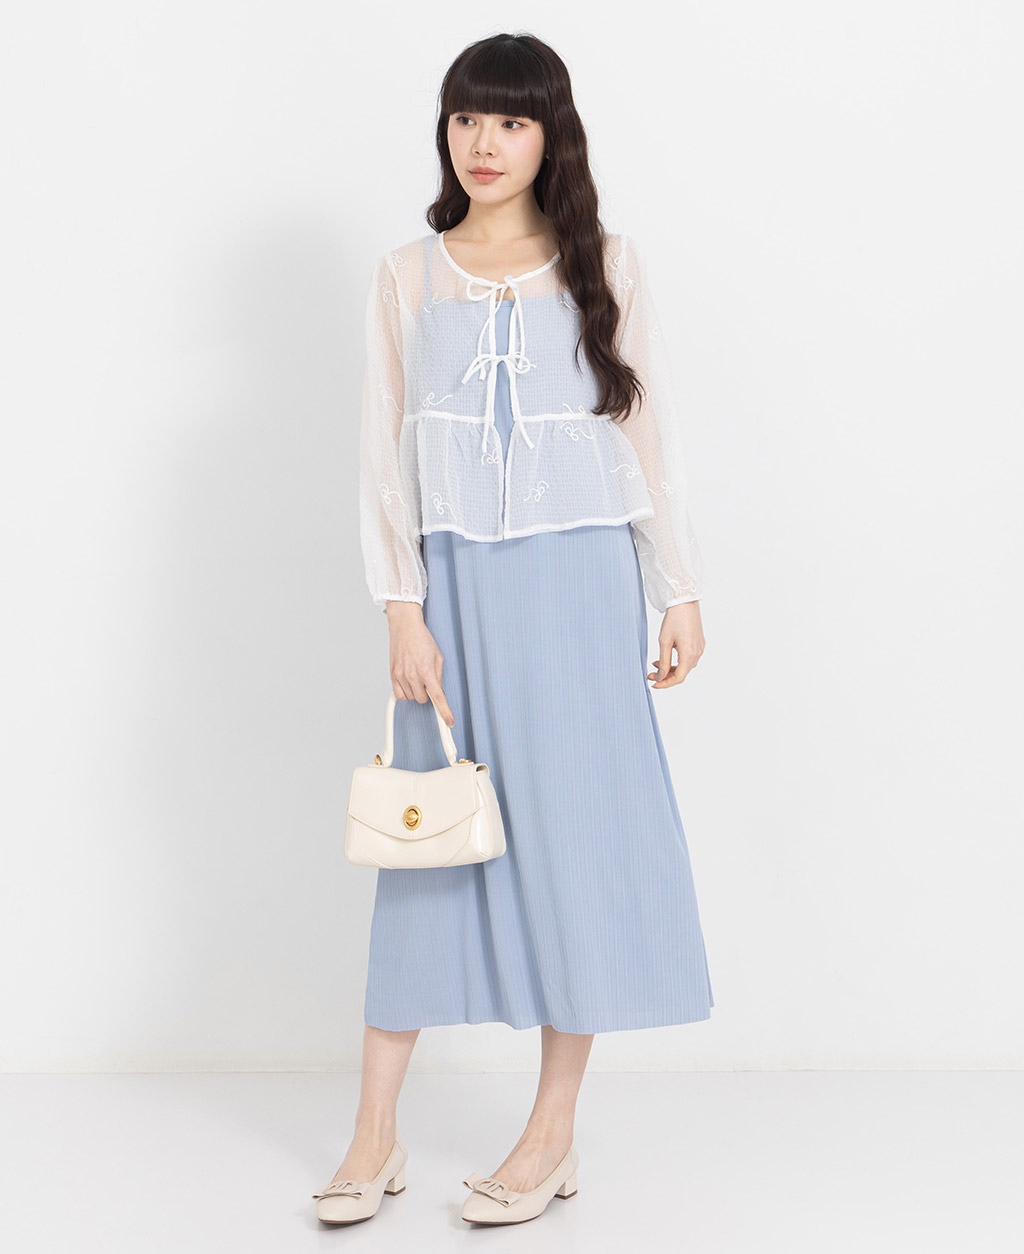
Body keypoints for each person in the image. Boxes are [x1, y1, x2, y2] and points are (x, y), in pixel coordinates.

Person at [313, 30, 714, 1228]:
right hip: (453, 597)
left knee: (574, 844)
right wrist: (401, 608)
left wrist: (677, 588)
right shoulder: (407, 275)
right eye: (465, 119)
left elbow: (645, 436)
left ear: (551, 136)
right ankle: (374, 1133)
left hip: (581, 584)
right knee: (425, 846)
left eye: (511, 121)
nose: (483, 144)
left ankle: (551, 1134)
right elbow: (382, 457)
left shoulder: (607, 266)